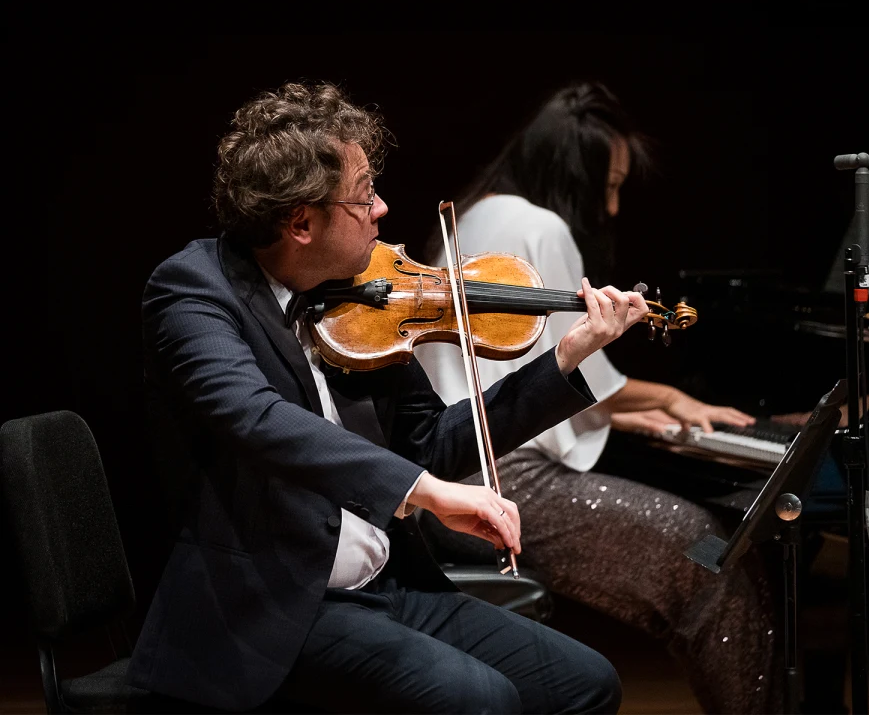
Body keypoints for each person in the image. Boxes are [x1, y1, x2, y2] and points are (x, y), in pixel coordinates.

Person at [127, 81, 650, 714]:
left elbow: (432, 440)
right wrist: (425, 493)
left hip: (386, 585)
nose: (382, 207)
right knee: (478, 700)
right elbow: (257, 418)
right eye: (363, 195)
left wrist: (567, 355)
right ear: (300, 222)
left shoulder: (363, 292)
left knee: (586, 683)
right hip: (272, 607)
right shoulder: (193, 291)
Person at [415, 81, 784, 714]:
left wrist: (656, 411)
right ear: (574, 175)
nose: (610, 209)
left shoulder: (476, 213)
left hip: (454, 470)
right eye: (607, 187)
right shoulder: (539, 225)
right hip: (504, 480)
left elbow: (539, 384)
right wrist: (671, 401)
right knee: (708, 552)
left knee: (704, 548)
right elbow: (578, 377)